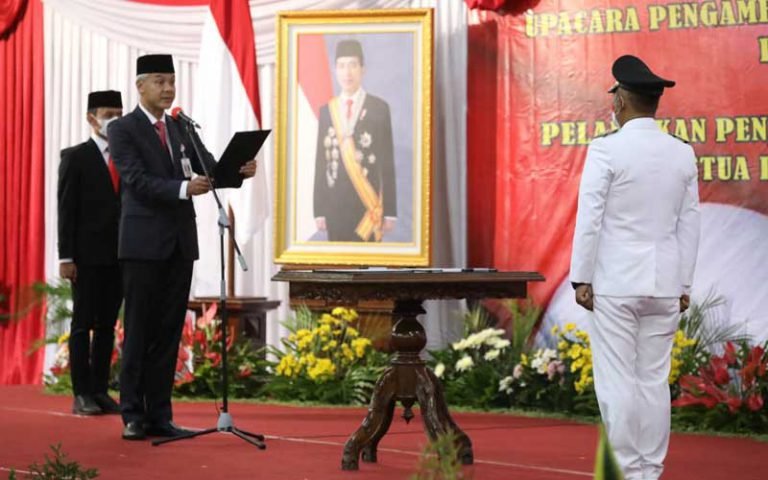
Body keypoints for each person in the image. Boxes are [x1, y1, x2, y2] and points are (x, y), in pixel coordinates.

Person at [108, 54, 258, 440]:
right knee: (139, 330)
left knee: (169, 332)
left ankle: (160, 415)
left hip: (179, 245)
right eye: (160, 81)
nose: (168, 89)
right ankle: (133, 415)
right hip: (142, 246)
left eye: (171, 81)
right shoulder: (122, 129)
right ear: (140, 86)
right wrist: (182, 189)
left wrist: (239, 171)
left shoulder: (180, 126)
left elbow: (210, 169)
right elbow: (136, 180)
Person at [569, 55, 700, 480]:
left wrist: (581, 277)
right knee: (653, 381)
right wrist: (684, 283)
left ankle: (627, 472)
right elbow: (689, 224)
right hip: (665, 284)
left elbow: (590, 217)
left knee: (618, 382)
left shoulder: (606, 149)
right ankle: (650, 471)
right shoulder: (682, 152)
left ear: (620, 101)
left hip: (617, 283)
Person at [57, 90, 124, 416]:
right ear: (91, 118)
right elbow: (66, 209)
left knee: (108, 326)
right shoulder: (76, 156)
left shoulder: (126, 155)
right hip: (86, 257)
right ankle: (81, 392)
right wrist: (66, 257)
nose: (114, 120)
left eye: (119, 115)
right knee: (82, 324)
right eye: (108, 114)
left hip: (119, 255)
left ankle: (100, 389)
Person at [313, 39, 397, 242]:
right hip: (335, 206)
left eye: (352, 65)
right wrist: (319, 210)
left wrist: (390, 212)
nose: (347, 73)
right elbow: (321, 162)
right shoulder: (327, 111)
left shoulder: (379, 108)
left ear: (362, 69)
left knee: (368, 262)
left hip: (367, 206)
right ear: (335, 70)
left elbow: (387, 162)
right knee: (338, 261)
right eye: (342, 66)